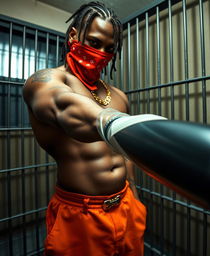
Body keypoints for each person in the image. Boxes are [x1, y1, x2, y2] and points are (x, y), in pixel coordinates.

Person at [23, 2, 146, 255]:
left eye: (109, 48)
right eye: (94, 42)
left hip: (126, 206)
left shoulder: (119, 96)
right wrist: (112, 121)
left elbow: (125, 153)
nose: (101, 52)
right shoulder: (46, 81)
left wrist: (134, 196)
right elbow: (64, 107)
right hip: (81, 213)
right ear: (73, 36)